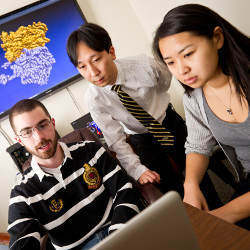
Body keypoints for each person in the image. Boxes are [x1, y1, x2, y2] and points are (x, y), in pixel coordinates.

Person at [153, 4, 250, 229]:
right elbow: (197, 144)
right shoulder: (194, 97)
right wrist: (190, 184)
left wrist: (227, 212)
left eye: (187, 54)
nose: (181, 70)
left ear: (217, 38)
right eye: (171, 63)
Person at [7, 99, 145, 249]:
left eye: (42, 125)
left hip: (118, 233)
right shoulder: (22, 193)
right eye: (27, 132)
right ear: (19, 140)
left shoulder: (92, 150)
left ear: (52, 123)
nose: (39, 137)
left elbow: (125, 189)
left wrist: (117, 236)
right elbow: (21, 241)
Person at [66, 23, 186, 194]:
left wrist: (157, 103)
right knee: (169, 188)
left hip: (169, 122)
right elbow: (115, 140)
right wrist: (138, 170)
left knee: (197, 173)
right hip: (142, 140)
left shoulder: (143, 64)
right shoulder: (94, 99)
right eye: (82, 66)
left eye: (96, 60)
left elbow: (164, 82)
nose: (93, 72)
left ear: (111, 52)